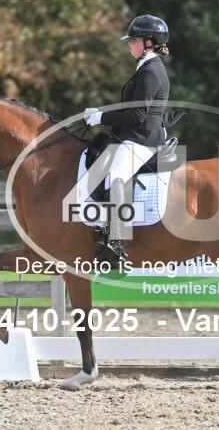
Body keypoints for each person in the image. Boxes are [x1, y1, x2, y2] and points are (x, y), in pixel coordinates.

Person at [83, 14, 172, 264]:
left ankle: (116, 242)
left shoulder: (151, 71)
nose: (130, 45)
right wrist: (100, 113)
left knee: (116, 176)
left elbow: (137, 114)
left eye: (134, 40)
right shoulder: (146, 68)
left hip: (142, 138)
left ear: (149, 42)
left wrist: (101, 117)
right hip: (137, 135)